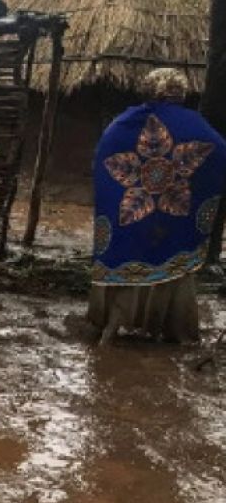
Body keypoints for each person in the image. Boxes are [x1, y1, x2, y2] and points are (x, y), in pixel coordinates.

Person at [89, 68, 226, 345]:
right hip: (173, 216)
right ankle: (174, 331)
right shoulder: (194, 124)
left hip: (134, 212)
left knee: (129, 254)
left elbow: (104, 154)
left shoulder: (126, 121)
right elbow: (219, 152)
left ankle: (112, 329)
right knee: (173, 262)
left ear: (149, 89)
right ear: (180, 92)